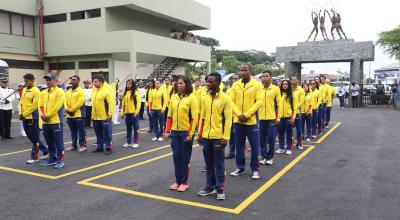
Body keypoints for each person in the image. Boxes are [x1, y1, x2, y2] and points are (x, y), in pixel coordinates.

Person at [197, 73, 232, 200]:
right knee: (209, 164)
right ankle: (209, 186)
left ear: (218, 82)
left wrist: (225, 137)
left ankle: (220, 188)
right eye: (207, 81)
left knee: (219, 164)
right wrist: (200, 134)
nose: (207, 83)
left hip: (218, 137)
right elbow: (203, 116)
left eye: (211, 82)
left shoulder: (225, 98)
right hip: (206, 136)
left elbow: (228, 120)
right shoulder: (205, 97)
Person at [165, 76, 198, 192]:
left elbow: (194, 118)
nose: (179, 85)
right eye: (178, 83)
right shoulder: (174, 97)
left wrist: (190, 133)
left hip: (186, 132)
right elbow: (169, 115)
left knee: (184, 158)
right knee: (176, 157)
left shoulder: (192, 98)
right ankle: (177, 181)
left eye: (181, 83)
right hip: (175, 132)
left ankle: (184, 182)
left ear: (187, 85)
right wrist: (168, 130)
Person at [229, 64, 263, 179]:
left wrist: (247, 115)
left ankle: (255, 169)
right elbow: (231, 101)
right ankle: (240, 167)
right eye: (241, 70)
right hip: (238, 121)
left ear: (250, 71)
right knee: (239, 146)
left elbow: (259, 102)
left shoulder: (257, 85)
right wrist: (239, 115)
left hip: (251, 121)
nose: (243, 72)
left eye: (245, 70)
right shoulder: (235, 84)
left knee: (254, 146)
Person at [20, 74, 49, 164]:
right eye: (25, 81)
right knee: (31, 137)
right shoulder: (24, 89)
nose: (25, 83)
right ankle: (45, 150)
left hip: (33, 117)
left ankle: (34, 156)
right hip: (24, 117)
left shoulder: (36, 91)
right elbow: (21, 102)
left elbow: (34, 106)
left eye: (27, 81)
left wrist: (24, 114)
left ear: (32, 81)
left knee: (34, 138)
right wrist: (21, 113)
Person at [38, 72, 65, 168]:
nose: (48, 81)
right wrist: (42, 115)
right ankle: (52, 158)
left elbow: (57, 107)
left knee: (58, 142)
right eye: (47, 80)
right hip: (45, 122)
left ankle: (60, 159)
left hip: (55, 121)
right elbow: (40, 105)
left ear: (55, 80)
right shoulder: (43, 92)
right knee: (49, 142)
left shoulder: (60, 92)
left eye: (50, 79)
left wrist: (47, 115)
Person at [258, 71, 280, 165]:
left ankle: (270, 157)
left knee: (271, 138)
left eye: (267, 76)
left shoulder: (275, 89)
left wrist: (278, 117)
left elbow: (279, 104)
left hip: (271, 118)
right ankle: (263, 156)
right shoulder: (259, 89)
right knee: (262, 139)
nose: (265, 78)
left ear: (270, 78)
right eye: (263, 76)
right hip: (261, 118)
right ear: (262, 78)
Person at [91, 74, 114, 154]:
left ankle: (108, 148)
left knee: (107, 134)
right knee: (98, 134)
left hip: (104, 117)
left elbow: (110, 103)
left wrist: (110, 114)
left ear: (101, 82)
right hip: (95, 117)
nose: (94, 83)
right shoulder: (94, 90)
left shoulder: (106, 91)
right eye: (93, 81)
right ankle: (100, 147)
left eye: (96, 81)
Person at [65, 75, 87, 152]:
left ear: (78, 81)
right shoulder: (68, 92)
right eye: (72, 80)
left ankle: (83, 145)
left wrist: (71, 110)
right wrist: (67, 109)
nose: (73, 81)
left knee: (81, 131)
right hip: (70, 115)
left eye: (75, 80)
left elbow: (80, 103)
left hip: (79, 114)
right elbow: (65, 102)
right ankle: (73, 145)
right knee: (73, 131)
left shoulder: (81, 91)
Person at [275, 79, 297, 155]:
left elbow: (294, 107)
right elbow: (276, 107)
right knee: (280, 133)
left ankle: (289, 148)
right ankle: (281, 148)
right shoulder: (278, 94)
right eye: (283, 84)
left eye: (286, 84)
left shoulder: (292, 95)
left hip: (288, 117)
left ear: (288, 85)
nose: (284, 85)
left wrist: (293, 117)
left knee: (289, 133)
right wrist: (277, 117)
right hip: (280, 117)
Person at [120, 79, 141, 148]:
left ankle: (136, 142)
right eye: (127, 84)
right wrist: (122, 113)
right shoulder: (125, 93)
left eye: (129, 84)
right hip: (127, 114)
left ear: (133, 85)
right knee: (128, 129)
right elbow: (123, 104)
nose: (128, 85)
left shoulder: (136, 93)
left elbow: (138, 104)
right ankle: (128, 142)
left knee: (136, 129)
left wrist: (136, 112)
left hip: (134, 114)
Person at [224, 73, 239, 159]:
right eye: (233, 79)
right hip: (230, 116)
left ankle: (240, 152)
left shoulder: (241, 90)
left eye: (236, 79)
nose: (234, 80)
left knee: (239, 136)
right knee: (231, 136)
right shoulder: (229, 90)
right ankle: (231, 152)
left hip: (239, 117)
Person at [291, 76, 305, 150]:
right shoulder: (290, 89)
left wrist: (295, 108)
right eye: (292, 80)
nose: (292, 81)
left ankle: (299, 143)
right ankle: (290, 144)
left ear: (298, 81)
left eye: (294, 80)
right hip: (289, 112)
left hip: (297, 112)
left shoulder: (301, 90)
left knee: (299, 129)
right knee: (289, 129)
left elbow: (301, 101)